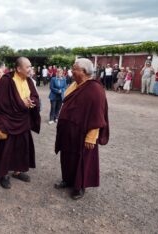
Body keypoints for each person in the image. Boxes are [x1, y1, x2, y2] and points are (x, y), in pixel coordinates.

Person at [54, 58, 109, 200]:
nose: (71, 71)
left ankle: (79, 186)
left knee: (81, 160)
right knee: (67, 157)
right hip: (69, 132)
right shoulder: (74, 84)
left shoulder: (95, 89)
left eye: (74, 68)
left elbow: (97, 115)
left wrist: (92, 136)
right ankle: (67, 180)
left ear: (83, 72)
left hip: (83, 134)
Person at [0, 57, 41, 189]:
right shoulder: (6, 81)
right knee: (6, 148)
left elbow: (35, 96)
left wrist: (32, 102)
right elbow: (0, 103)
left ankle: (18, 170)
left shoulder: (28, 80)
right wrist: (21, 103)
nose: (30, 70)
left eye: (31, 67)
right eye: (28, 67)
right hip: (8, 120)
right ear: (18, 69)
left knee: (22, 146)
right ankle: (3, 174)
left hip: (23, 119)